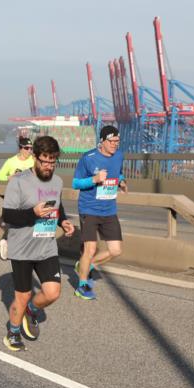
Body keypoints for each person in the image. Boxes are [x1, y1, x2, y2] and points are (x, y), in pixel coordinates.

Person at [0, 136, 75, 351]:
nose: (49, 166)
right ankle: (12, 332)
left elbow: (57, 207)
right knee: (22, 295)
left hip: (47, 247)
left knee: (52, 293)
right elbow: (9, 216)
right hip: (22, 249)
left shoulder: (58, 181)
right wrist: (32, 213)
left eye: (53, 162)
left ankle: (31, 310)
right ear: (35, 158)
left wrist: (64, 221)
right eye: (45, 161)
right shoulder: (19, 182)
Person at [72, 125, 127, 300]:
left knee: (116, 250)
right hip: (89, 208)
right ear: (102, 141)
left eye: (117, 141)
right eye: (112, 141)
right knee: (91, 248)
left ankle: (86, 266)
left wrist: (121, 181)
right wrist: (94, 179)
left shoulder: (118, 156)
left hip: (109, 209)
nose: (115, 145)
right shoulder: (88, 158)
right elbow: (76, 183)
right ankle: (82, 285)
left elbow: (117, 173)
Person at [0, 137, 35, 260]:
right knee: (16, 222)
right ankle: (6, 240)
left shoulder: (33, 161)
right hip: (15, 197)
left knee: (29, 223)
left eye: (31, 148)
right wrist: (9, 177)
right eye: (27, 148)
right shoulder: (11, 161)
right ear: (20, 148)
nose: (29, 150)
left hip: (29, 197)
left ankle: (18, 247)